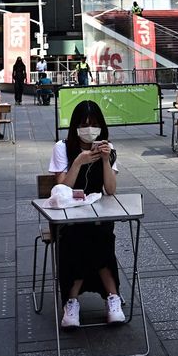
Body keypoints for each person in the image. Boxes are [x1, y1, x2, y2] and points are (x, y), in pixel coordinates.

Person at [47, 100, 125, 328]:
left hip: (97, 216)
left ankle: (108, 299)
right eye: (84, 124)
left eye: (94, 124)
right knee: (82, 237)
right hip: (68, 218)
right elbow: (62, 187)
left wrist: (105, 160)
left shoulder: (107, 150)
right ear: (75, 126)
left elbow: (110, 190)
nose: (89, 129)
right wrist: (79, 162)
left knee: (100, 234)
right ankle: (77, 301)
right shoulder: (62, 147)